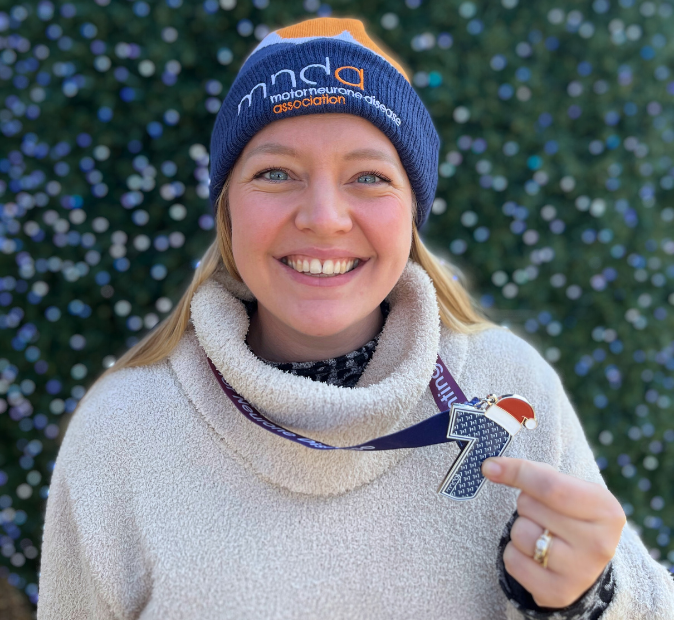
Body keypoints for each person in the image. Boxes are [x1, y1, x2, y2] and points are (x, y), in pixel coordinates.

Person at [37, 17, 674, 620]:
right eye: (275, 172)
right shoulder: (122, 430)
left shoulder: (508, 381)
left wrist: (589, 597)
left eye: (368, 176)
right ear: (227, 207)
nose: (324, 216)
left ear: (413, 211)